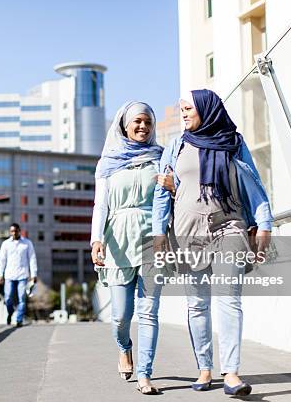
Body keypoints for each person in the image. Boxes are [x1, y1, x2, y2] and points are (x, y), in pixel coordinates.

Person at [152, 89, 273, 397]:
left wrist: (264, 224)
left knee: (229, 298)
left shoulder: (233, 143)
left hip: (229, 228)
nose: (183, 113)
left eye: (188, 108)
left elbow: (254, 182)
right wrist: (159, 232)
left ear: (207, 109)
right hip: (188, 232)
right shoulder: (176, 145)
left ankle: (231, 373)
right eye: (181, 109)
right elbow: (164, 193)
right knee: (197, 304)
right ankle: (204, 367)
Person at [91, 101, 164, 395]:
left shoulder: (159, 158)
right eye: (137, 122)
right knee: (121, 314)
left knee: (148, 312)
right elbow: (101, 205)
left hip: (152, 237)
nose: (143, 127)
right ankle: (124, 346)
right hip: (118, 239)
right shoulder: (108, 162)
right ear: (124, 125)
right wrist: (96, 239)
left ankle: (145, 374)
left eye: (147, 122)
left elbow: (169, 198)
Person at [0, 223, 37, 327]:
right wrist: (0, 274)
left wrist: (34, 274)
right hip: (9, 275)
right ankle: (10, 313)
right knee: (8, 298)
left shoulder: (27, 243)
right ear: (10, 232)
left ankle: (19, 319)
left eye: (15, 231)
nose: (14, 233)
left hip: (22, 275)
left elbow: (32, 259)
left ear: (19, 231)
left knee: (22, 298)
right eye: (12, 231)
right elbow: (2, 260)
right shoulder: (5, 244)